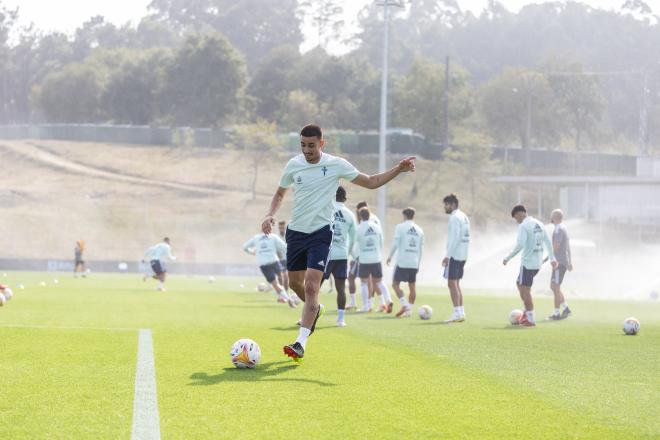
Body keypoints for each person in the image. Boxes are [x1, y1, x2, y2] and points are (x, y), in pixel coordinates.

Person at [261, 124, 415, 362]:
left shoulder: (336, 165)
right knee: (295, 284)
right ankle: (317, 309)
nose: (306, 150)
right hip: (295, 233)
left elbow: (372, 181)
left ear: (322, 143)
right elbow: (280, 193)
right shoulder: (293, 165)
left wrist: (398, 169)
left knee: (313, 286)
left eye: (311, 145)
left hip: (321, 233)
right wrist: (270, 214)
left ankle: (301, 342)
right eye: (303, 145)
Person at [503, 205, 556, 327]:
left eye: (516, 218)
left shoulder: (524, 226)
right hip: (537, 263)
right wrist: (552, 259)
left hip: (527, 263)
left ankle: (530, 318)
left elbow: (520, 244)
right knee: (519, 284)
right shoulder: (539, 224)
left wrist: (508, 257)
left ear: (519, 214)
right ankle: (527, 313)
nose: (517, 221)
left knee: (525, 290)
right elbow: (548, 242)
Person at [322, 186, 357, 327]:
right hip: (342, 255)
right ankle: (341, 319)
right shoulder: (349, 214)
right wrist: (347, 252)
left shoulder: (326, 209)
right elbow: (354, 239)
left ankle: (307, 318)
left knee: (314, 287)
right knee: (341, 288)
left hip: (325, 254)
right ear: (345, 198)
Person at [387, 207, 424, 318]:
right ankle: (409, 310)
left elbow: (396, 243)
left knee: (395, 285)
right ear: (413, 216)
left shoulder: (400, 227)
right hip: (414, 262)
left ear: (404, 216)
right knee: (412, 287)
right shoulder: (419, 230)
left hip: (402, 261)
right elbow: (421, 249)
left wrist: (389, 256)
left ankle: (405, 305)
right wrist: (418, 263)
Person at [243, 232, 296, 307]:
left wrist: (252, 252)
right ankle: (286, 297)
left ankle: (283, 295)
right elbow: (284, 247)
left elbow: (244, 247)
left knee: (277, 282)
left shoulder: (257, 238)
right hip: (273, 261)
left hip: (266, 263)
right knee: (280, 279)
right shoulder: (273, 237)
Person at [355, 207, 392, 313]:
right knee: (379, 281)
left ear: (360, 216)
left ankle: (366, 306)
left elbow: (355, 243)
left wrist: (356, 255)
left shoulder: (359, 228)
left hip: (364, 259)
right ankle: (388, 300)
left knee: (364, 283)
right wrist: (378, 253)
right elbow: (381, 241)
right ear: (369, 215)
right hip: (376, 258)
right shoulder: (377, 227)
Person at [442, 194, 471, 323]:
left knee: (451, 283)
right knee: (456, 284)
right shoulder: (464, 216)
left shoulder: (454, 218)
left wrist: (447, 255)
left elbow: (455, 238)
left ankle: (457, 313)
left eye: (446, 204)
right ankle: (461, 312)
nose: (445, 207)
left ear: (453, 204)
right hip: (463, 254)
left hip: (454, 255)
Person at [547, 209, 573, 320]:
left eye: (551, 216)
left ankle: (557, 313)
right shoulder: (564, 227)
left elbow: (557, 246)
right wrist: (570, 262)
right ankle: (566, 308)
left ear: (554, 217)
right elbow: (567, 247)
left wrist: (549, 256)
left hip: (559, 263)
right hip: (562, 262)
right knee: (553, 286)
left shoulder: (558, 229)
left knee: (555, 287)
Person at [276, 220, 290, 294]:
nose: (281, 229)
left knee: (286, 276)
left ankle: (286, 292)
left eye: (283, 228)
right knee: (281, 276)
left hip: (289, 258)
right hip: (279, 259)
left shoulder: (288, 234)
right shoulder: (276, 236)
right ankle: (282, 292)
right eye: (280, 228)